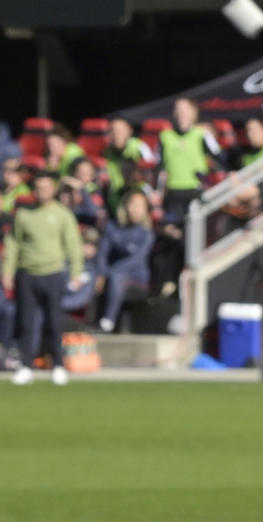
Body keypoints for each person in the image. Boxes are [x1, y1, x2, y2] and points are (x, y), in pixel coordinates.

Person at [4, 170, 85, 386]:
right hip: (27, 274)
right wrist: (8, 272)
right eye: (39, 188)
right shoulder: (23, 214)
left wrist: (76, 273)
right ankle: (26, 366)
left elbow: (73, 245)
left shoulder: (62, 214)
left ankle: (57, 364)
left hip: (53, 274)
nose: (43, 192)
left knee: (53, 322)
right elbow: (13, 244)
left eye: (47, 187)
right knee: (27, 323)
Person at [156, 97, 219, 229]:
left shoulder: (202, 134)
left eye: (185, 110)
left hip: (196, 190)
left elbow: (219, 158)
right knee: (171, 231)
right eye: (178, 110)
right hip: (173, 192)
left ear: (193, 112)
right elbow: (159, 167)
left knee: (196, 231)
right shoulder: (165, 136)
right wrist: (157, 192)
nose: (181, 114)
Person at [97, 188, 154, 333]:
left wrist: (110, 272)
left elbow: (137, 259)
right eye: (133, 204)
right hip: (112, 273)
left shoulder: (146, 233)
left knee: (117, 277)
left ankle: (108, 320)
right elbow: (103, 253)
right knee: (95, 276)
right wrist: (102, 272)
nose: (136, 209)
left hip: (136, 276)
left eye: (140, 205)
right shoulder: (112, 227)